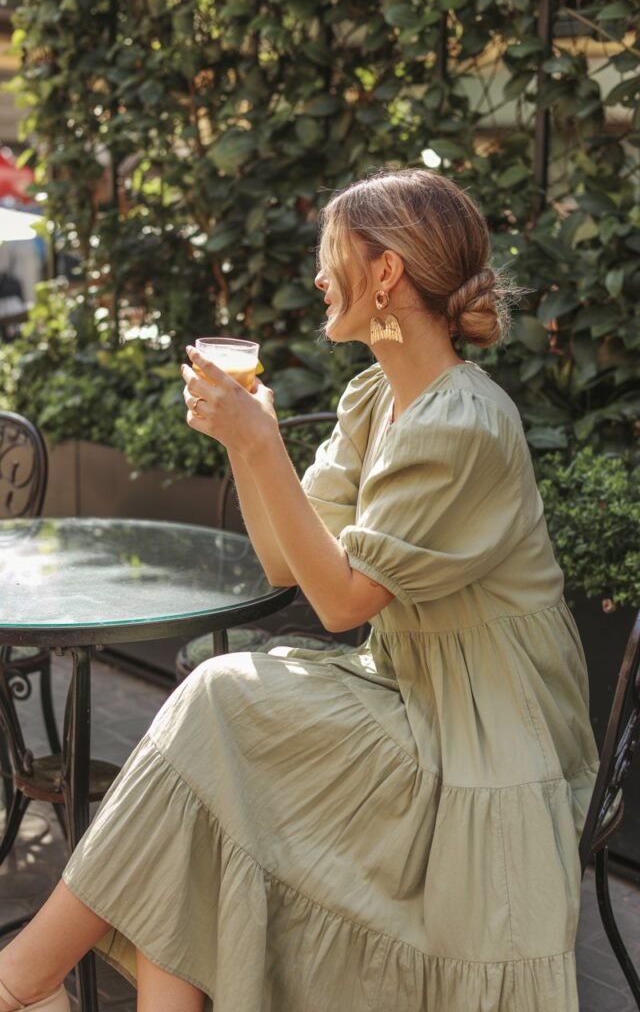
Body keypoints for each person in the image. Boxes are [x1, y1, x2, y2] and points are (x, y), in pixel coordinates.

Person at [0, 168, 598, 1012]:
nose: (319, 276)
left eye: (332, 255)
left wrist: (264, 445)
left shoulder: (464, 424)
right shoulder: (374, 400)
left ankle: (22, 982)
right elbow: (285, 564)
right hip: (411, 692)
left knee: (218, 710)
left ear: (385, 272)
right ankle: (30, 983)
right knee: (212, 760)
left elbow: (344, 603)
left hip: (491, 726)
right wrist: (251, 446)